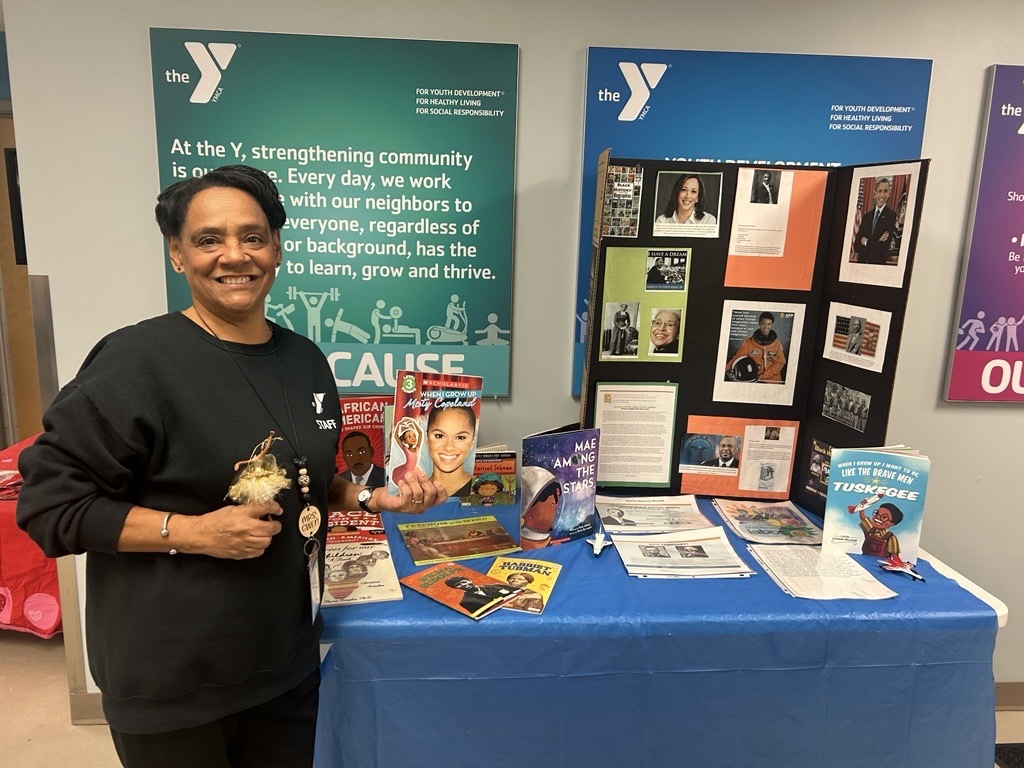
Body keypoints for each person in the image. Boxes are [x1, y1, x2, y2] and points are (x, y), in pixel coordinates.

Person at [15, 165, 446, 768]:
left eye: (253, 236)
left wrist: (368, 497)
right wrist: (194, 532)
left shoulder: (304, 361)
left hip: (283, 661)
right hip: (174, 680)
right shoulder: (136, 362)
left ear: (276, 247)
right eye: (208, 239)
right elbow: (50, 507)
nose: (234, 256)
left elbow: (302, 477)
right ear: (177, 254)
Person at [426, 404, 477, 497]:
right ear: (427, 438)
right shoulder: (412, 492)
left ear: (472, 442)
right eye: (439, 436)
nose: (449, 447)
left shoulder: (480, 490)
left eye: (460, 437)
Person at [726, 311, 786, 383]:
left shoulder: (776, 343)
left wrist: (764, 377)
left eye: (769, 324)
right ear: (759, 324)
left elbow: (780, 362)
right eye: (763, 324)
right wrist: (728, 369)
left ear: (772, 324)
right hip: (755, 380)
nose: (766, 327)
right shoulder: (749, 342)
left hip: (773, 380)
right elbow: (738, 357)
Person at [853, 177, 896, 264]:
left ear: (889, 194)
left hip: (878, 264)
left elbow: (884, 247)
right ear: (875, 193)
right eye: (880, 191)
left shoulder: (891, 216)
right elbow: (857, 245)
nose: (882, 195)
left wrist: (865, 242)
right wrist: (877, 241)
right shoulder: (866, 217)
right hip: (862, 263)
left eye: (885, 191)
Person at [444, 575, 519, 615]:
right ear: (455, 588)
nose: (464, 585)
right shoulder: (465, 602)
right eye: (458, 585)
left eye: (464, 582)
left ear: (469, 580)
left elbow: (520, 591)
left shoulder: (496, 586)